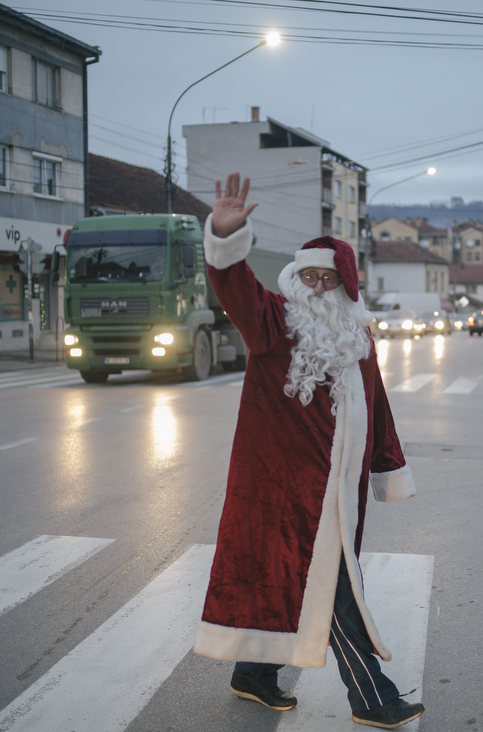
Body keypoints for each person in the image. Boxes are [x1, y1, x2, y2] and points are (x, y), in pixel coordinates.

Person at [193, 173, 424, 729]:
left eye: (327, 279)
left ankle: (253, 674)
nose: (317, 288)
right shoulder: (273, 323)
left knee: (275, 582)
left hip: (335, 496)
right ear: (294, 280)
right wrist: (225, 242)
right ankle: (373, 698)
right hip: (277, 491)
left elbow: (379, 409)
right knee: (335, 590)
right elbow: (234, 287)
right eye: (308, 277)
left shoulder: (357, 340)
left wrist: (388, 468)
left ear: (346, 286)